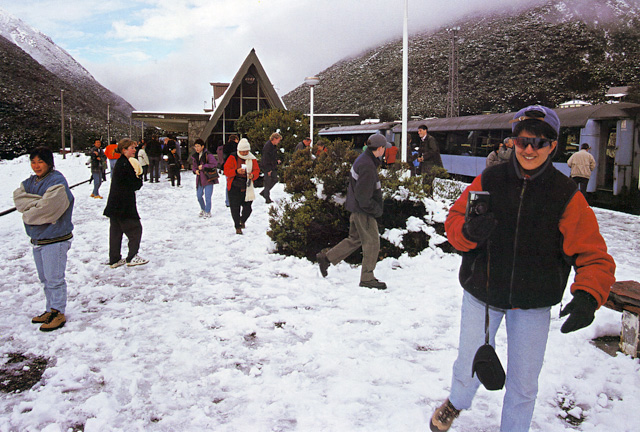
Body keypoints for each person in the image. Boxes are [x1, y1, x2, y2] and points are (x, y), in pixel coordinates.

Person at [429, 105, 615, 432]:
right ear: (513, 141)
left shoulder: (567, 195)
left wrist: (589, 294)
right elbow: (454, 222)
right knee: (468, 363)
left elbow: (593, 254)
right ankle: (456, 402)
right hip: (482, 295)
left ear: (553, 145)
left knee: (524, 383)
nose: (530, 149)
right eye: (523, 140)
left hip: (533, 304)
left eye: (540, 142)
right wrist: (468, 233)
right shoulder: (490, 178)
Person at [316, 134, 388, 290]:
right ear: (380, 148)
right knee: (372, 243)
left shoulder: (363, 159)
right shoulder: (368, 166)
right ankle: (367, 278)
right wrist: (375, 210)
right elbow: (364, 196)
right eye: (384, 148)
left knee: (354, 239)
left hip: (356, 209)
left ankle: (327, 258)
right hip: (364, 211)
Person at [13, 147, 74, 332]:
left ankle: (58, 312)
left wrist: (31, 211)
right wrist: (38, 203)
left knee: (54, 278)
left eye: (40, 161)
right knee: (45, 278)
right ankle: (50, 309)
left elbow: (47, 209)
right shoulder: (31, 182)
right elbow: (18, 198)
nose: (36, 166)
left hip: (55, 238)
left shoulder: (57, 181)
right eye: (33, 162)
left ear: (49, 162)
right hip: (38, 238)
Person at [103, 138, 149, 268]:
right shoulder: (125, 164)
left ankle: (115, 259)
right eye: (132, 148)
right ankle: (132, 256)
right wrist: (139, 176)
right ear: (124, 150)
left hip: (115, 203)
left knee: (116, 231)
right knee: (135, 229)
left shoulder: (120, 162)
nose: (135, 150)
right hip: (124, 205)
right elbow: (134, 184)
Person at [224, 138, 260, 234]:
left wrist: (253, 175)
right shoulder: (232, 157)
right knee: (235, 208)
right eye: (242, 152)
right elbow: (226, 171)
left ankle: (242, 220)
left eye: (246, 151)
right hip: (234, 186)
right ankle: (237, 226)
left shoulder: (252, 158)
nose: (244, 153)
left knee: (248, 208)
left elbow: (257, 170)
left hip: (247, 185)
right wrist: (236, 171)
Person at [191, 138, 219, 218]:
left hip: (208, 178)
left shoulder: (208, 155)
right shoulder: (195, 156)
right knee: (199, 196)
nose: (196, 148)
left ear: (202, 146)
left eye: (198, 146)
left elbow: (214, 164)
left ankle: (208, 211)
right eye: (195, 146)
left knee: (208, 196)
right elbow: (194, 166)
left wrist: (203, 166)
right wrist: (195, 170)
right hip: (200, 179)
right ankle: (203, 209)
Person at [260, 132, 282, 203]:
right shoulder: (268, 147)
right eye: (278, 140)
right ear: (274, 139)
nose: (279, 142)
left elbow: (272, 157)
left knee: (274, 179)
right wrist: (268, 169)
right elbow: (265, 159)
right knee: (268, 181)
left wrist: (276, 161)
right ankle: (267, 197)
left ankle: (264, 193)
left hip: (272, 166)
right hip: (268, 167)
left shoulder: (273, 146)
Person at [223, 135, 240, 207]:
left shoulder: (225, 146)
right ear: (236, 139)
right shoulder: (237, 146)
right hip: (235, 166)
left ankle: (228, 201)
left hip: (227, 166)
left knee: (228, 184)